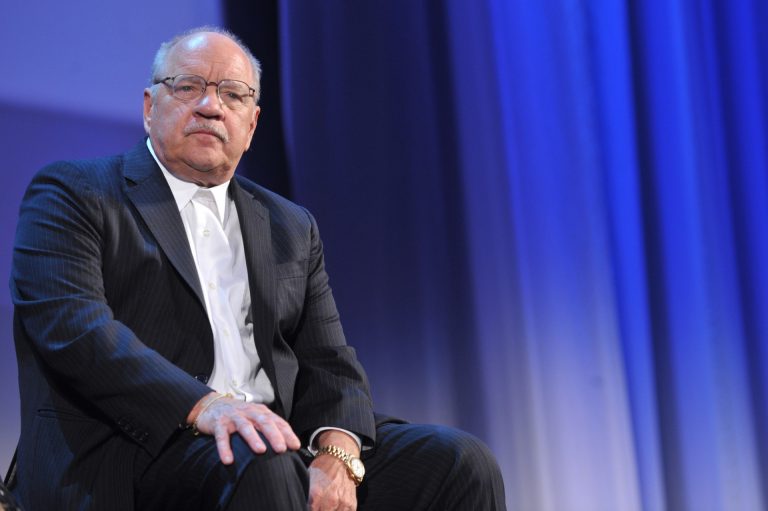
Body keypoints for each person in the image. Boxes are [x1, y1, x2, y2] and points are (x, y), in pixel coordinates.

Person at [10, 26, 506, 510]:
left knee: (459, 462)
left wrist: (338, 453)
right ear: (149, 107)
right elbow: (74, 331)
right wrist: (207, 405)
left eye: (233, 94)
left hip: (276, 442)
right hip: (142, 449)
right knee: (263, 457)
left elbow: (330, 360)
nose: (211, 106)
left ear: (251, 125)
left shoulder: (290, 224)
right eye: (188, 87)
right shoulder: (76, 193)